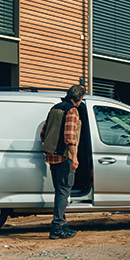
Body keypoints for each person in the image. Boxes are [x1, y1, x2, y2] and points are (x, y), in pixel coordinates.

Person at [40, 84, 85, 240]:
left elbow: (43, 133)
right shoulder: (72, 111)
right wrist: (75, 158)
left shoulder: (55, 108)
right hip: (65, 157)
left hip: (52, 156)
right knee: (63, 191)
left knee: (59, 191)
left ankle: (61, 223)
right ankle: (57, 227)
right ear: (79, 98)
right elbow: (69, 137)